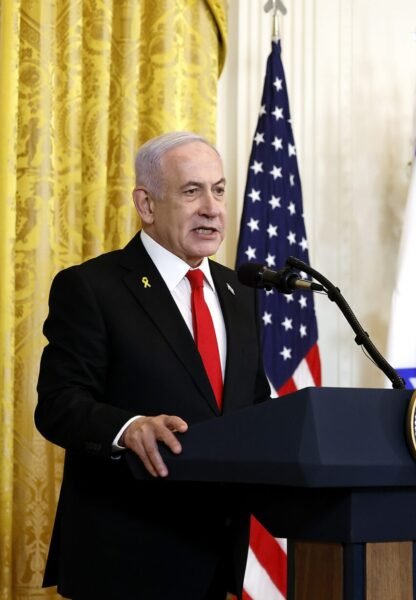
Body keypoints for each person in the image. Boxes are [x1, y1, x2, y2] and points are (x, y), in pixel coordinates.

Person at [35, 131, 271, 599]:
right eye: (191, 191)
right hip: (124, 562)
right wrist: (128, 427)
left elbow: (253, 406)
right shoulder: (92, 287)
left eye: (219, 190)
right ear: (146, 204)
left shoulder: (239, 292)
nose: (212, 207)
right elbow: (58, 403)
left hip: (216, 558)